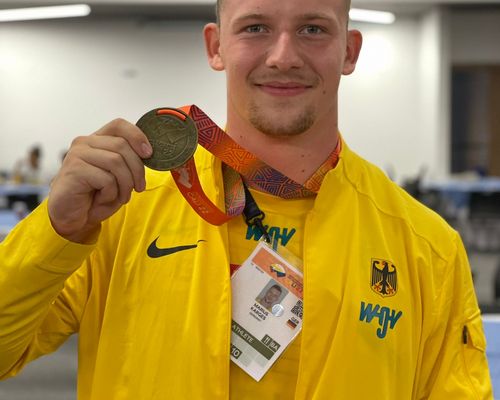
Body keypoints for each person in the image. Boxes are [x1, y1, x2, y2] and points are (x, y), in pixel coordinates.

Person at [0, 0, 492, 398]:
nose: (283, 55)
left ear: (349, 50)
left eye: (313, 29)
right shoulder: (120, 212)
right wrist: (55, 231)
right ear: (216, 46)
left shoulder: (427, 246)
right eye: (255, 27)